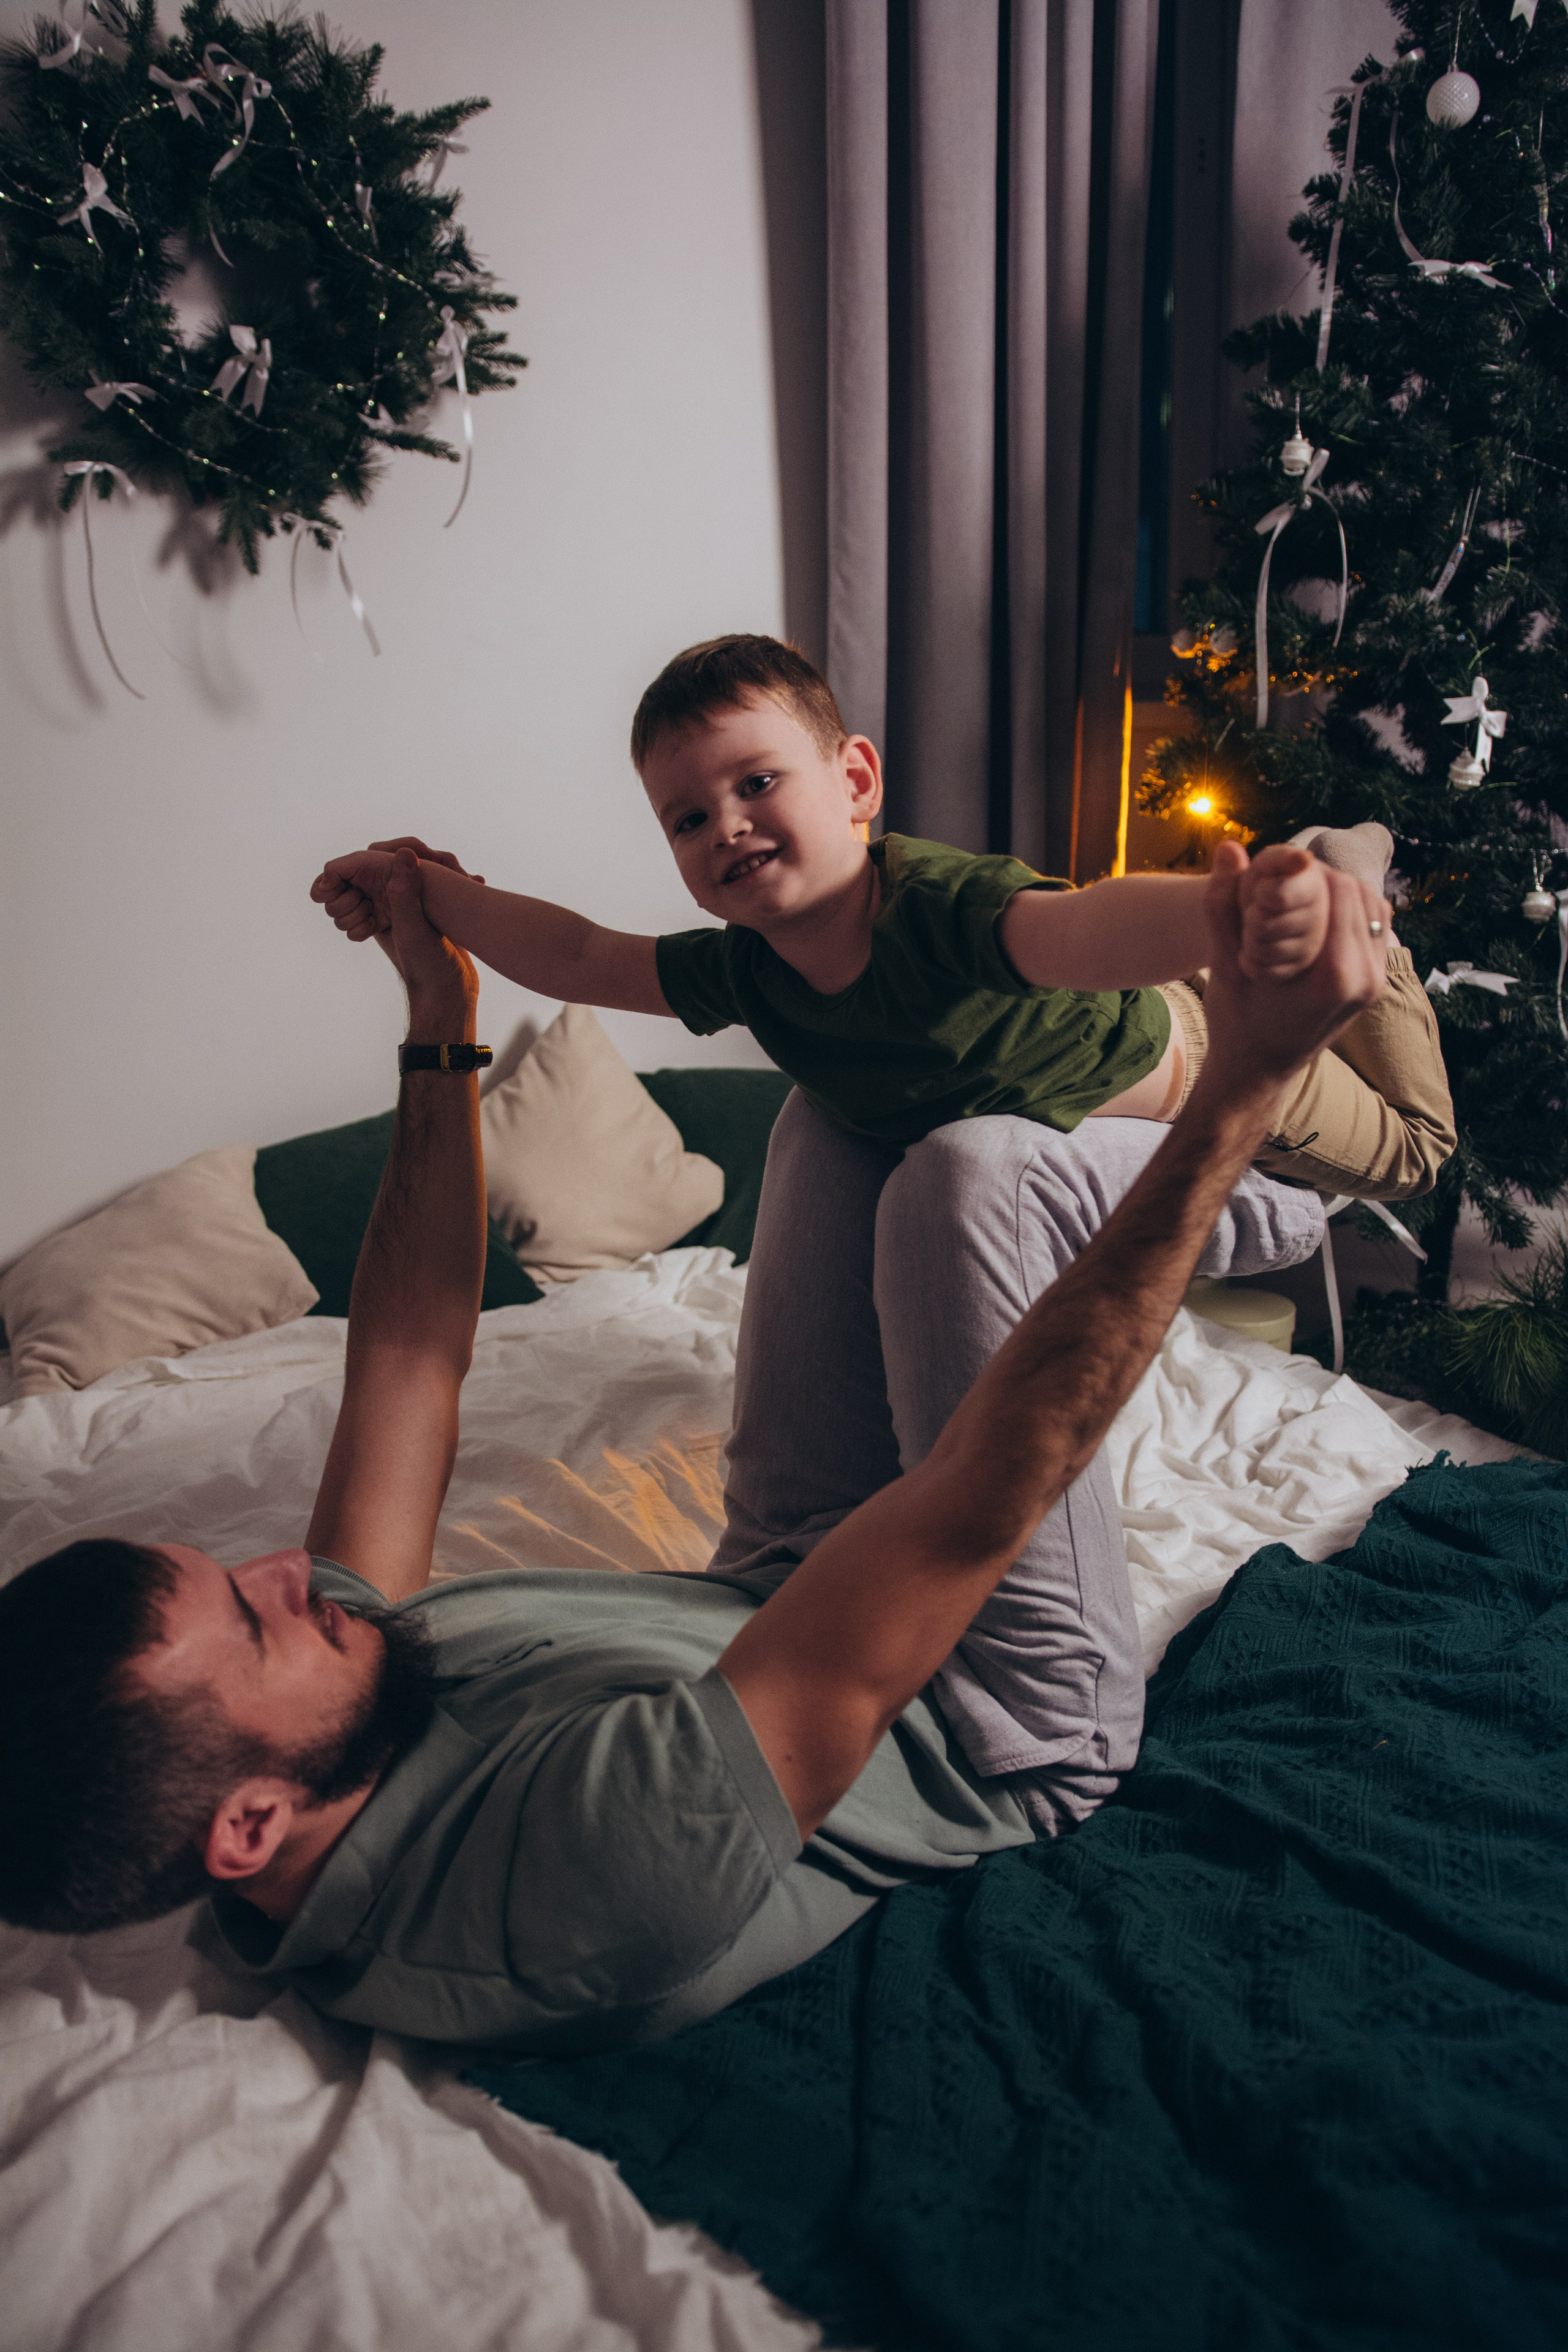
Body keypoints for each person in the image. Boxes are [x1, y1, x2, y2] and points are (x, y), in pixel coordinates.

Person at [0, 839, 1389, 2057]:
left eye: (237, 1577)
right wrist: (1247, 1085)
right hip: (989, 1711)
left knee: (835, 1111)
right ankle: (1276, 1203)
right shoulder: (570, 1883)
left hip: (767, 1582)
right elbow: (971, 1498)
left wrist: (438, 1010)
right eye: (255, 1623)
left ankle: (1210, 1160)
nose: (284, 1574)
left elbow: (410, 1354)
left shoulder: (321, 1732)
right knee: (966, 1181)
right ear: (244, 1830)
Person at [306, 635, 1455, 1822]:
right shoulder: (752, 972)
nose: (728, 826)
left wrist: (1225, 911)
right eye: (687, 818)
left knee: (1411, 1144)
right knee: (867, 1137)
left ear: (853, 782)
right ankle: (1320, 878)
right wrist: (429, 892)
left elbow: (1088, 923)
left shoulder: (941, 910)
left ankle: (1349, 880)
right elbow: (584, 957)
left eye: (757, 783)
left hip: (1217, 1078)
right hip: (1056, 1130)